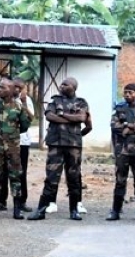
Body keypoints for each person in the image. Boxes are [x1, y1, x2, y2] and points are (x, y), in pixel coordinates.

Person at [27, 77, 89, 221]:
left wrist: (62, 115)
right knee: (51, 178)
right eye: (61, 84)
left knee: (73, 178)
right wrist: (69, 120)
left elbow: (81, 118)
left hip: (73, 145)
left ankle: (74, 210)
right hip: (55, 144)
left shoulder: (81, 102)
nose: (61, 86)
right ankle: (41, 210)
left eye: (65, 84)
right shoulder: (55, 100)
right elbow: (49, 116)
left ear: (73, 87)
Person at [0, 77, 32, 220]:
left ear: (10, 89)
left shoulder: (18, 107)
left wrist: (11, 135)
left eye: (3, 87)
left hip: (13, 148)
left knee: (16, 176)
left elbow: (25, 126)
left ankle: (17, 208)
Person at [106, 83, 135, 221]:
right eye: (125, 92)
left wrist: (129, 126)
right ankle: (116, 211)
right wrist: (129, 128)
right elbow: (114, 125)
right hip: (122, 151)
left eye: (130, 92)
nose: (127, 95)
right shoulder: (120, 108)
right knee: (120, 180)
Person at [0, 78, 36, 213]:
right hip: (4, 141)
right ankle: (1, 201)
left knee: (21, 173)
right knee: (2, 171)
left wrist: (23, 103)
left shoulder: (26, 100)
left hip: (22, 142)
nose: (18, 90)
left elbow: (32, 118)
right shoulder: (3, 99)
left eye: (21, 87)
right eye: (16, 87)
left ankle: (21, 201)